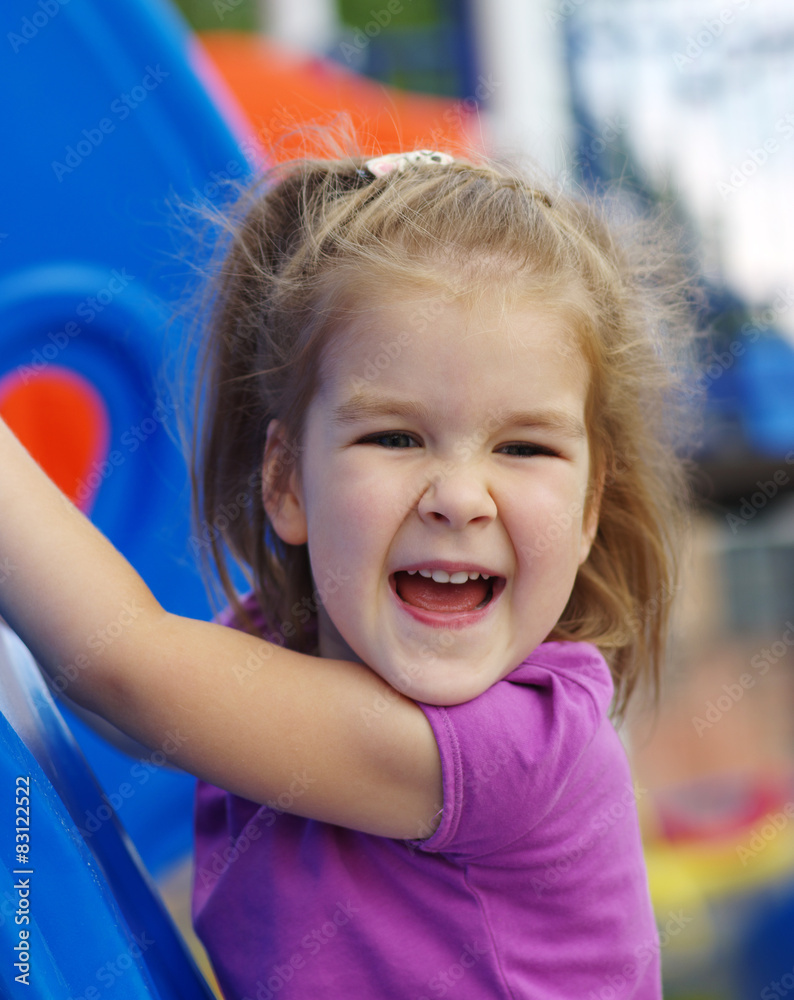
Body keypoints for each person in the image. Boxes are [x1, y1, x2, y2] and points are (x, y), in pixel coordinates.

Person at [0, 148, 697, 999]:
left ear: (589, 508)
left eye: (523, 447)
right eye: (395, 437)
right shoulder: (274, 662)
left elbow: (123, 669)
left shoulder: (524, 748)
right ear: (286, 481)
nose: (459, 497)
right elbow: (109, 695)